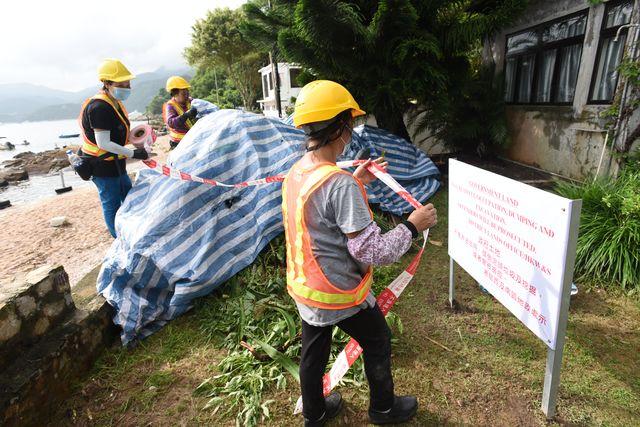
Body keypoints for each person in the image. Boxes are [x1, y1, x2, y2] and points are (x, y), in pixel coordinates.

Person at [282, 80, 437, 426]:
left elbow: (323, 211)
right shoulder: (339, 183)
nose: (351, 131)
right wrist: (413, 225)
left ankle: (315, 413)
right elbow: (373, 250)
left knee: (313, 352)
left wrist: (359, 181)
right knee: (378, 339)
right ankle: (383, 409)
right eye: (349, 123)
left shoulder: (298, 171)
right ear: (339, 126)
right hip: (339, 292)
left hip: (306, 287)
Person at [79, 58, 149, 238]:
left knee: (129, 197)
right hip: (101, 166)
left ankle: (132, 233)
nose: (127, 86)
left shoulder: (115, 102)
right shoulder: (99, 107)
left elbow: (116, 132)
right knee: (111, 204)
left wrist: (138, 135)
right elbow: (103, 143)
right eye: (122, 83)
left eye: (128, 82)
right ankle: (118, 239)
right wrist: (134, 153)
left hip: (117, 164)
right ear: (107, 83)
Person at [163, 76, 198, 149]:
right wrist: (185, 115)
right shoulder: (170, 106)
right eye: (184, 94)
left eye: (187, 92)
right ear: (175, 94)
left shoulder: (191, 101)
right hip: (179, 142)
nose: (187, 95)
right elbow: (171, 122)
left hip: (193, 138)